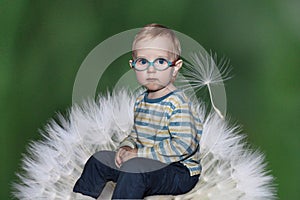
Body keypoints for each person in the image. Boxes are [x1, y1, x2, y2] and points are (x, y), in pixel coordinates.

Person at [73, 23, 203, 199]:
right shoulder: (142, 101)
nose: (151, 69)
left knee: (134, 169)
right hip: (144, 164)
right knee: (99, 160)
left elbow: (184, 145)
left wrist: (139, 154)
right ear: (133, 65)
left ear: (176, 67)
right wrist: (127, 147)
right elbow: (137, 135)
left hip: (178, 171)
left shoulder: (178, 104)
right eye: (143, 61)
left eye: (160, 61)